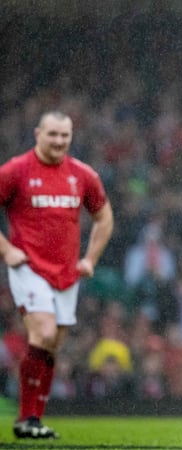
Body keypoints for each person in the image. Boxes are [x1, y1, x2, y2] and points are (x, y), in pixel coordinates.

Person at [0, 111, 114, 439]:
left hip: (66, 274)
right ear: (37, 133)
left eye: (65, 135)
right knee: (45, 332)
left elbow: (104, 218)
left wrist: (90, 258)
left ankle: (33, 419)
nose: (59, 141)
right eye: (53, 134)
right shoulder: (15, 171)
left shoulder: (82, 175)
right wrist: (7, 251)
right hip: (29, 268)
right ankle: (26, 418)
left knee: (52, 346)